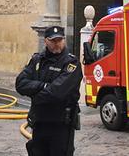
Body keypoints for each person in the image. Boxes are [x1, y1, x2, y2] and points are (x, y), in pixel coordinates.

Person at [15, 26, 82, 156]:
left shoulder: (71, 63)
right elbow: (20, 84)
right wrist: (43, 86)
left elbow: (58, 92)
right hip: (40, 122)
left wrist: (34, 93)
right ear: (46, 41)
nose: (57, 43)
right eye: (53, 41)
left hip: (60, 125)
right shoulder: (37, 60)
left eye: (60, 40)